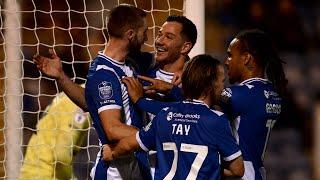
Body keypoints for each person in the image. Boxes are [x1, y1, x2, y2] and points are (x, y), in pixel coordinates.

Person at [103, 54, 244, 179]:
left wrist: (113, 152)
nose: (223, 87)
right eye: (221, 81)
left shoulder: (165, 115)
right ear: (210, 86)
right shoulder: (217, 120)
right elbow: (238, 171)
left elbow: (129, 144)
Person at [220, 29, 287, 180]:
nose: (226, 61)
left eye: (230, 55)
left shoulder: (242, 95)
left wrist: (172, 89)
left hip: (241, 174)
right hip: (256, 172)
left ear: (246, 59)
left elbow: (200, 96)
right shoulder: (272, 93)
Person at [20, 92, 90, 180]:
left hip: (33, 170)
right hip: (46, 174)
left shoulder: (68, 95)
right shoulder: (79, 103)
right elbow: (62, 156)